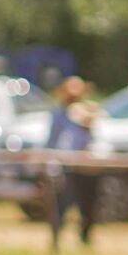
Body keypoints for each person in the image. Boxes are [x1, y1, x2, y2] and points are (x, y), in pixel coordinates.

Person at [45, 77, 103, 245]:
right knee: (62, 205)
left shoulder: (87, 114)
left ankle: (84, 239)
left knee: (88, 206)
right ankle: (56, 240)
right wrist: (51, 164)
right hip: (68, 167)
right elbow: (54, 141)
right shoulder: (59, 115)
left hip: (87, 168)